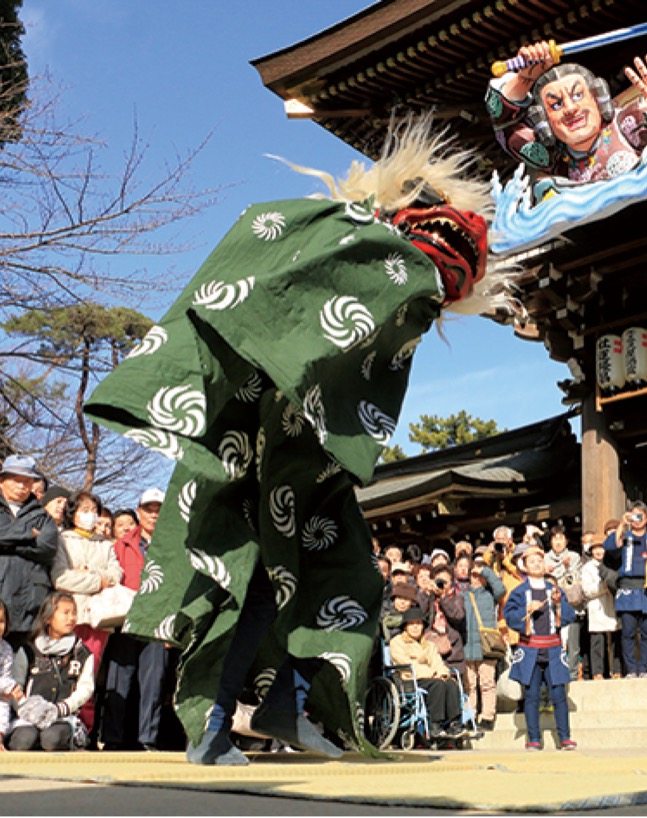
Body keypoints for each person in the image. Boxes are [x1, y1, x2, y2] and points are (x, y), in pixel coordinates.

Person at [83, 119, 511, 766]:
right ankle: (212, 723)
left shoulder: (408, 293)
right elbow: (259, 272)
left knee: (349, 581)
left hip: (316, 466)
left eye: (444, 289)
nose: (432, 294)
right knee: (254, 586)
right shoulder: (358, 253)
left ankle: (290, 704)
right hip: (258, 448)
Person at [486, 40, 647, 202]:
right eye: (556, 105)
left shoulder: (624, 125)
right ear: (544, 121)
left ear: (598, 99)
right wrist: (524, 79)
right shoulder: (554, 158)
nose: (570, 109)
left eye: (577, 96)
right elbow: (505, 129)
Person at [101, 488, 172, 752]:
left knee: (153, 685)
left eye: (159, 510)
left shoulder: (174, 546)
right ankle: (113, 738)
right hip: (125, 622)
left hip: (157, 625)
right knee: (119, 681)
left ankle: (148, 739)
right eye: (149, 509)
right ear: (138, 512)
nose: (154, 515)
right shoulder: (120, 545)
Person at [51, 489, 122, 734]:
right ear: (73, 514)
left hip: (99, 618)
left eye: (94, 510)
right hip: (71, 615)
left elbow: (116, 575)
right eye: (85, 510)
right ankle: (62, 724)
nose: (90, 515)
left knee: (90, 675)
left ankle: (87, 730)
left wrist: (87, 575)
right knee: (67, 673)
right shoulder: (63, 540)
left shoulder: (105, 544)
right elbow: (60, 578)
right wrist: (97, 581)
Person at [503, 545, 576, 751]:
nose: (536, 564)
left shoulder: (554, 590)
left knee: (559, 694)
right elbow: (509, 616)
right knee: (532, 695)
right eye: (531, 561)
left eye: (539, 560)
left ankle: (565, 737)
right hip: (530, 649)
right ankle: (533, 738)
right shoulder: (519, 592)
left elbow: (569, 616)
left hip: (552, 647)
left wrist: (559, 604)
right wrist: (526, 610)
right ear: (524, 567)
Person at [6, 592, 94, 751]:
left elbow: (85, 689)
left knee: (51, 739)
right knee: (24, 740)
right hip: (29, 715)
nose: (71, 618)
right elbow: (15, 684)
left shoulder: (82, 653)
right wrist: (27, 709)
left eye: (74, 612)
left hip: (63, 717)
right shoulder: (28, 650)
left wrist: (61, 708)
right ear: (48, 618)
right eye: (65, 613)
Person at [0, 454, 59, 650]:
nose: (23, 486)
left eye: (28, 481)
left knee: (20, 668)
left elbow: (47, 549)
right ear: (2, 480)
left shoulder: (42, 516)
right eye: (16, 480)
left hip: (28, 605)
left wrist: (8, 543)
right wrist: (27, 534)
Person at [387, 607, 465, 740]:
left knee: (450, 683)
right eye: (412, 624)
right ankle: (435, 725)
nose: (416, 627)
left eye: (419, 623)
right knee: (438, 685)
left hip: (431, 676)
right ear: (406, 626)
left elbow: (437, 661)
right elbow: (405, 663)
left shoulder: (429, 645)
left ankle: (454, 724)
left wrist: (443, 673)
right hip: (410, 678)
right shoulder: (397, 642)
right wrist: (433, 673)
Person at [603, 502, 647, 678]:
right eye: (633, 516)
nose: (637, 520)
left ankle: (644, 668)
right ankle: (630, 669)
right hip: (627, 588)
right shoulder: (624, 537)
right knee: (627, 632)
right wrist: (622, 523)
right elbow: (610, 547)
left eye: (640, 516)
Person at [457, 554, 505, 731]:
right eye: (474, 574)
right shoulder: (462, 594)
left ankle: (487, 716)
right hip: (468, 643)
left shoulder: (490, 593)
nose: (476, 578)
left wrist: (485, 570)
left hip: (487, 644)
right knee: (469, 684)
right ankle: (470, 715)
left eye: (480, 576)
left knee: (487, 682)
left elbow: (501, 589)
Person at [544, 526, 584, 679]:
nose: (558, 542)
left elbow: (575, 580)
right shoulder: (545, 559)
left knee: (573, 643)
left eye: (561, 538)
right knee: (554, 642)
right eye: (555, 539)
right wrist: (545, 572)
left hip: (570, 604)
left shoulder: (574, 557)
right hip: (551, 606)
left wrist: (567, 568)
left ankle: (573, 674)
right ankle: (555, 674)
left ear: (567, 541)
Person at [581, 538, 620, 680]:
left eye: (601, 548)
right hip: (596, 607)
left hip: (612, 605)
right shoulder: (587, 568)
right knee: (597, 641)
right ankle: (597, 672)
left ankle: (617, 670)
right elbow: (586, 590)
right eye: (595, 548)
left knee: (615, 640)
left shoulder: (611, 564)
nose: (598, 551)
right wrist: (603, 587)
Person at [0, 600, 16, 746]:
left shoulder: (6, 650)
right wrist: (8, 686)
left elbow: (4, 699)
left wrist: (0, 732)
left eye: (1, 621)